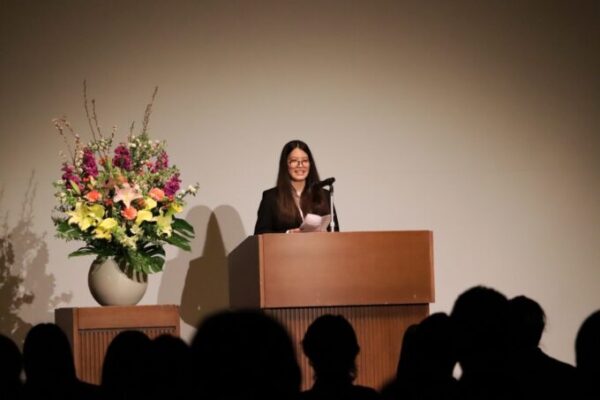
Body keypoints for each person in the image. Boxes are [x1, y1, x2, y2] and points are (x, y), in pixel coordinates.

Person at [254, 140, 339, 234]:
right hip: (286, 244)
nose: (300, 165)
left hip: (319, 244)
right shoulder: (271, 197)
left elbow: (336, 233)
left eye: (305, 161)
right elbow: (260, 234)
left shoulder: (325, 195)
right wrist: (288, 233)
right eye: (294, 161)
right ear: (285, 165)